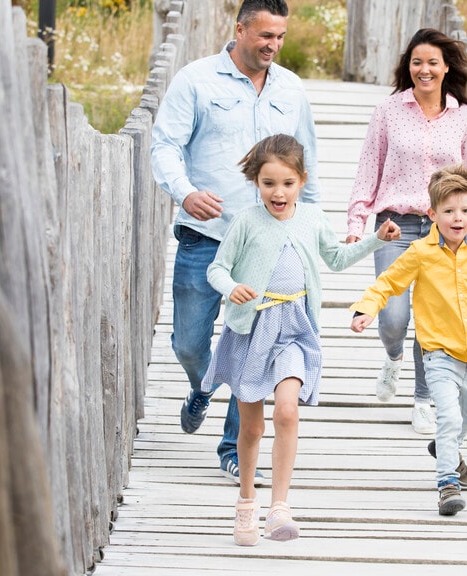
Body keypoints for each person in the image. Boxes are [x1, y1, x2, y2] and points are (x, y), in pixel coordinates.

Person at [150, 0, 320, 486]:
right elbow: (165, 144)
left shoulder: (291, 88)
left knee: (253, 348)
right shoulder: (196, 80)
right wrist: (185, 192)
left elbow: (306, 159)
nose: (273, 45)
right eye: (265, 35)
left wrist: (316, 225)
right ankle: (202, 384)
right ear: (240, 29)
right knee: (188, 341)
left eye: (280, 36)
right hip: (208, 234)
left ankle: (232, 448)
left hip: (271, 244)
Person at [203, 134, 400, 545]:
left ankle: (279, 507)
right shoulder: (246, 222)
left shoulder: (311, 219)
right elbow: (217, 269)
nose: (279, 192)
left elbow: (337, 258)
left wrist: (376, 239)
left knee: (287, 412)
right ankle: (246, 502)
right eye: (269, 183)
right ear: (256, 182)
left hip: (295, 327)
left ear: (302, 181)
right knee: (252, 427)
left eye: (288, 183)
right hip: (252, 329)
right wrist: (232, 287)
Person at [349, 164, 467, 517]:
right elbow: (388, 283)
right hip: (437, 352)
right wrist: (366, 309)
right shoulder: (420, 252)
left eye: (465, 211)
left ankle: (446, 448)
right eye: (449, 211)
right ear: (433, 214)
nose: (458, 218)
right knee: (447, 416)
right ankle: (447, 483)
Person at [345, 28, 467, 435]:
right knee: (393, 316)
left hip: (446, 231)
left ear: (446, 69)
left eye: (432, 63)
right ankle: (392, 359)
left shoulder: (466, 116)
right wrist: (357, 222)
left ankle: (424, 398)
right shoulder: (388, 110)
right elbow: (369, 167)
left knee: (430, 320)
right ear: (409, 67)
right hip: (395, 223)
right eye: (417, 62)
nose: (424, 70)